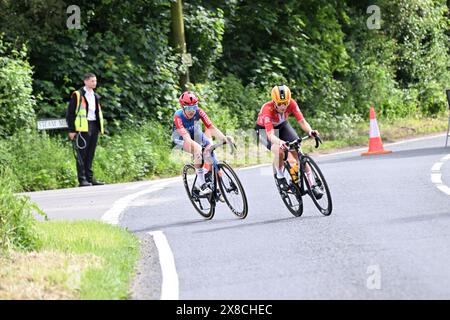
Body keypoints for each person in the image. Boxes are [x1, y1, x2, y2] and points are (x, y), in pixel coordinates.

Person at [255, 84, 323, 199]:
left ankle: (312, 185)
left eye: (285, 103)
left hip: (282, 126)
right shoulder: (267, 109)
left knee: (297, 150)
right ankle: (280, 176)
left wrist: (310, 131)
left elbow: (302, 121)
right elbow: (270, 134)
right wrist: (280, 142)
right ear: (274, 101)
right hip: (265, 131)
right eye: (280, 104)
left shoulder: (292, 103)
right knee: (279, 151)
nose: (283, 106)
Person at [172, 91, 232, 195]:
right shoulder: (178, 116)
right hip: (181, 138)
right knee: (197, 149)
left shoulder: (199, 112)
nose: (192, 111)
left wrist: (224, 138)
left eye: (194, 107)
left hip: (196, 133)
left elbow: (211, 128)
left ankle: (208, 177)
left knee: (210, 150)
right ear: (183, 108)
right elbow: (186, 138)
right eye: (188, 108)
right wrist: (197, 147)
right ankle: (201, 183)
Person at [66, 73, 105, 187]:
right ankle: (82, 179)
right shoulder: (78, 95)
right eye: (92, 81)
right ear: (86, 81)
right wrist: (72, 130)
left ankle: (90, 178)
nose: (95, 83)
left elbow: (97, 113)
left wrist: (99, 128)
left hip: (94, 126)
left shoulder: (95, 96)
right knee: (81, 154)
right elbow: (70, 113)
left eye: (95, 81)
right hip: (82, 127)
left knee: (90, 154)